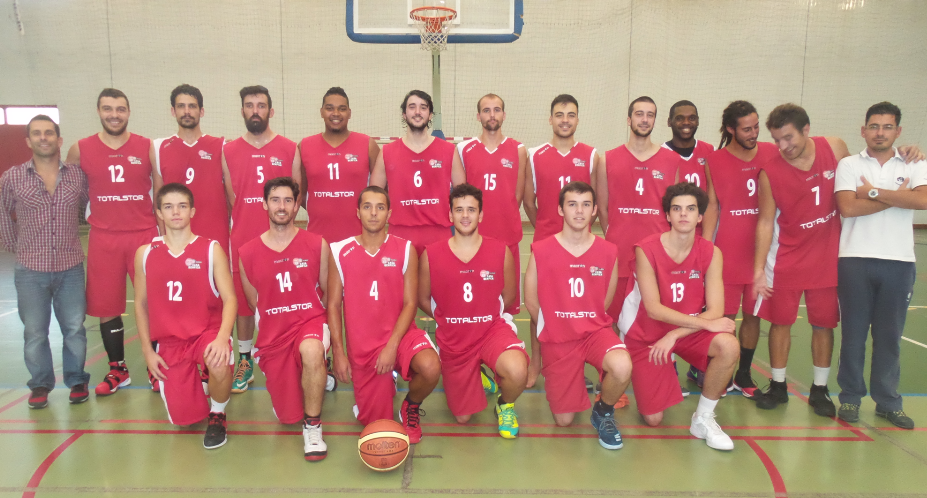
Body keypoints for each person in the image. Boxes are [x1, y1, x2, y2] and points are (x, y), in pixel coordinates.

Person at [616, 183, 739, 451]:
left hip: (683, 332)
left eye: (691, 209)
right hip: (646, 334)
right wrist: (694, 325)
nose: (684, 214)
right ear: (668, 216)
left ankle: (703, 418)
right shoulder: (645, 249)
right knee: (653, 419)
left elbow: (716, 309)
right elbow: (653, 309)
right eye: (677, 209)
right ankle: (653, 374)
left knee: (729, 345)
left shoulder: (710, 252)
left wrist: (675, 335)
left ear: (700, 217)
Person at [752, 103, 850, 417]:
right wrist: (758, 271)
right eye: (776, 139)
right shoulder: (770, 171)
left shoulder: (834, 148)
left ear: (806, 129)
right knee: (780, 323)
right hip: (787, 259)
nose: (783, 146)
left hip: (826, 258)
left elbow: (861, 176)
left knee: (823, 325)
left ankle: (820, 389)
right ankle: (778, 385)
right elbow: (765, 222)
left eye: (788, 138)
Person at [833, 102, 927, 430]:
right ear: (863, 130)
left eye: (887, 127)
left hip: (899, 263)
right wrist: (896, 197)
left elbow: (923, 201)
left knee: (889, 336)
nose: (880, 133)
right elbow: (847, 207)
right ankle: (850, 397)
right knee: (854, 335)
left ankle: (888, 402)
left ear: (898, 131)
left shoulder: (915, 162)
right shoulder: (847, 164)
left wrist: (871, 192)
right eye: (874, 126)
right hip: (854, 260)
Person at [327, 186, 442, 443]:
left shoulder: (405, 249)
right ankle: (380, 388)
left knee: (431, 367)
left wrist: (392, 347)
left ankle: (410, 406)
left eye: (380, 207)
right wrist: (338, 351)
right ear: (357, 212)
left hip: (400, 336)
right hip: (363, 348)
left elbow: (411, 302)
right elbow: (333, 305)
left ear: (389, 214)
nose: (374, 213)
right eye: (367, 206)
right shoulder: (339, 251)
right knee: (378, 428)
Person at [523, 181, 632, 450]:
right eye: (572, 204)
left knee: (622, 365)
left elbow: (606, 298)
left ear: (595, 209)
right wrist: (555, 328)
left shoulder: (608, 251)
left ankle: (603, 411)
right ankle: (571, 380)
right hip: (558, 339)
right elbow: (531, 301)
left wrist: (587, 319)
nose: (579, 211)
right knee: (563, 420)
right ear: (561, 210)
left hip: (594, 333)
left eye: (586, 205)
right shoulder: (541, 249)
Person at [66, 88, 160, 397]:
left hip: (143, 234)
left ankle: (155, 366)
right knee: (107, 306)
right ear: (99, 111)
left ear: (129, 112)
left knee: (152, 303)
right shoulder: (80, 149)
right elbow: (72, 196)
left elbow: (159, 195)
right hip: (104, 236)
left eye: (120, 109)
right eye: (108, 109)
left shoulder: (147, 147)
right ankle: (117, 368)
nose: (114, 114)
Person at [418, 184, 528, 438]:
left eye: (471, 209)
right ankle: (478, 375)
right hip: (455, 339)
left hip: (490, 331)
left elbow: (508, 296)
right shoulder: (432, 255)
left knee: (517, 370)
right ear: (450, 215)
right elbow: (424, 298)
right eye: (459, 210)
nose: (465, 215)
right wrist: (450, 318)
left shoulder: (500, 251)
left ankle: (505, 404)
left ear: (481, 215)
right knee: (463, 417)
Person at [134, 183, 236, 449]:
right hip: (171, 343)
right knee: (184, 420)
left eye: (182, 206)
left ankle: (218, 413)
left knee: (218, 359)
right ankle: (196, 384)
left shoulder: (211, 249)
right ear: (159, 213)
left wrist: (222, 338)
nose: (175, 212)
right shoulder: (145, 254)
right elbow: (141, 304)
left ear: (192, 211)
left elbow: (230, 298)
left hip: (206, 333)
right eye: (168, 207)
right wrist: (147, 350)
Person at [239, 177, 333, 459]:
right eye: (276, 200)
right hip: (274, 335)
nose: (282, 207)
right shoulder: (247, 253)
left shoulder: (317, 244)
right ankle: (302, 378)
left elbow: (328, 294)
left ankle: (313, 426)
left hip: (310, 323)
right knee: (287, 416)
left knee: (312, 349)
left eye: (288, 201)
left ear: (297, 206)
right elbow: (255, 301)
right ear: (264, 203)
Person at [1, 115, 91, 408]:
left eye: (49, 133)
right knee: (35, 332)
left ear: (59, 139)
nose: (44, 137)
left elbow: (91, 205)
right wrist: (15, 247)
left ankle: (77, 379)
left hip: (71, 267)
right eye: (37, 133)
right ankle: (40, 384)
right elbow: (2, 212)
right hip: (30, 270)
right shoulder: (12, 177)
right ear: (28, 141)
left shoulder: (77, 176)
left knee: (74, 328)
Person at [222, 85, 301, 395]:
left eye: (261, 105)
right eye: (249, 105)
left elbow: (295, 197)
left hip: (282, 241)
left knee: (288, 299)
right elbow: (232, 198)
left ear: (271, 110)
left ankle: (293, 355)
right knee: (243, 305)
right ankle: (245, 360)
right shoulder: (228, 151)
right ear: (242, 110)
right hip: (243, 239)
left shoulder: (289, 148)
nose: (255, 110)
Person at [701, 101, 779, 397]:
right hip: (728, 252)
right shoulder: (715, 160)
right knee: (723, 316)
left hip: (762, 251)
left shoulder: (772, 153)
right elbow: (712, 208)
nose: (754, 133)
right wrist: (706, 250)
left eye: (757, 126)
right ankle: (720, 371)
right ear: (731, 129)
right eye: (747, 129)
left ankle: (743, 374)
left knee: (753, 315)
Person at [597, 96, 681, 322]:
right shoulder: (607, 159)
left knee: (654, 320)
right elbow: (602, 208)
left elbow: (674, 210)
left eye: (650, 115)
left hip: (657, 255)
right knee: (613, 320)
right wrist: (615, 236)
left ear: (655, 121)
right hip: (619, 252)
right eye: (639, 114)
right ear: (628, 119)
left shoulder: (671, 161)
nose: (644, 120)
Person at [370, 90, 465, 255]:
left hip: (439, 232)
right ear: (404, 114)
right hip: (400, 233)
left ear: (430, 115)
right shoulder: (387, 152)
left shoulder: (449, 151)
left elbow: (463, 195)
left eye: (423, 107)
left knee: (438, 282)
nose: (417, 112)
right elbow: (374, 197)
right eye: (412, 107)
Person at [456, 93, 527, 316]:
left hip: (508, 235)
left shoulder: (518, 150)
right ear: (478, 116)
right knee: (476, 299)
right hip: (475, 238)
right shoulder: (464, 149)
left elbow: (518, 194)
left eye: (496, 110)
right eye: (486, 110)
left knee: (507, 303)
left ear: (504, 115)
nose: (492, 115)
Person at [152, 84, 230, 253]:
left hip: (215, 234)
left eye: (192, 106)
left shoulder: (221, 146)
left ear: (201, 111)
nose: (187, 111)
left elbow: (231, 197)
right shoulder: (158, 147)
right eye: (181, 106)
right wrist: (163, 236)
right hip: (176, 237)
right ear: (173, 111)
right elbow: (157, 197)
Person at [299, 87, 380, 243]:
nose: (336, 113)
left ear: (349, 113)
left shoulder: (368, 145)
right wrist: (322, 210)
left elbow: (382, 191)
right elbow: (301, 194)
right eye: (330, 108)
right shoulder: (304, 146)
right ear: (321, 111)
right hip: (317, 239)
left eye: (342, 109)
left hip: (360, 240)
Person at [524, 94, 599, 245]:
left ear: (577, 120)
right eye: (559, 115)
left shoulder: (591, 155)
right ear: (550, 119)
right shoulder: (534, 155)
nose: (565, 120)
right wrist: (544, 227)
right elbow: (528, 203)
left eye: (571, 115)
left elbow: (595, 202)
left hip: (581, 242)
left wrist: (579, 228)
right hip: (545, 240)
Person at [663, 100, 715, 190]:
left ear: (698, 121)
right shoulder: (660, 153)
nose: (686, 122)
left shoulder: (711, 151)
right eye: (679, 118)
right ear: (669, 122)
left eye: (692, 118)